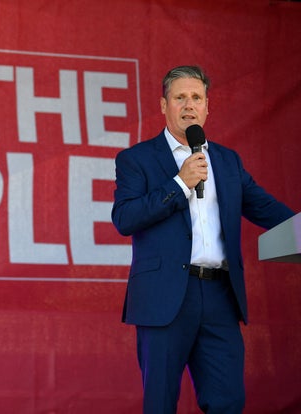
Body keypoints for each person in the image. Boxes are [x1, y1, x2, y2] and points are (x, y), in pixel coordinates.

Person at [111, 65, 295, 413]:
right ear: (164, 106)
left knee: (228, 401)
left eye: (196, 97)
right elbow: (125, 218)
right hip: (164, 299)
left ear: (208, 106)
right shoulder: (137, 159)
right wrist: (180, 183)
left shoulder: (227, 161)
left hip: (219, 296)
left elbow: (266, 208)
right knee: (161, 402)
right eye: (180, 97)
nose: (189, 105)